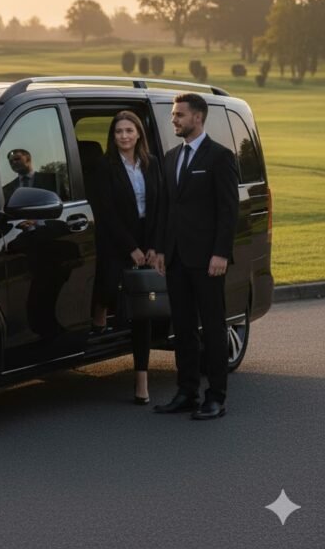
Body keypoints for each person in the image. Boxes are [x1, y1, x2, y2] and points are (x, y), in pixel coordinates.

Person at [153, 93, 239, 420]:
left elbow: (228, 211)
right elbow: (165, 209)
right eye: (174, 115)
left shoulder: (220, 157)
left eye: (179, 115)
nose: (173, 120)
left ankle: (215, 396)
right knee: (184, 328)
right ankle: (186, 392)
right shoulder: (171, 157)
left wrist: (221, 253)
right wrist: (161, 250)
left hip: (207, 261)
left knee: (213, 328)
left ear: (198, 118)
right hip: (175, 258)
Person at [91, 111, 161, 404]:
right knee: (108, 285)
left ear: (139, 134)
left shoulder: (152, 164)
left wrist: (154, 247)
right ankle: (99, 309)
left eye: (129, 130)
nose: (124, 136)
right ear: (113, 135)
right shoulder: (104, 166)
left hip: (148, 237)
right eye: (118, 131)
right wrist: (130, 247)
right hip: (117, 240)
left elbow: (160, 207)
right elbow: (105, 212)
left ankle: (141, 380)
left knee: (142, 312)